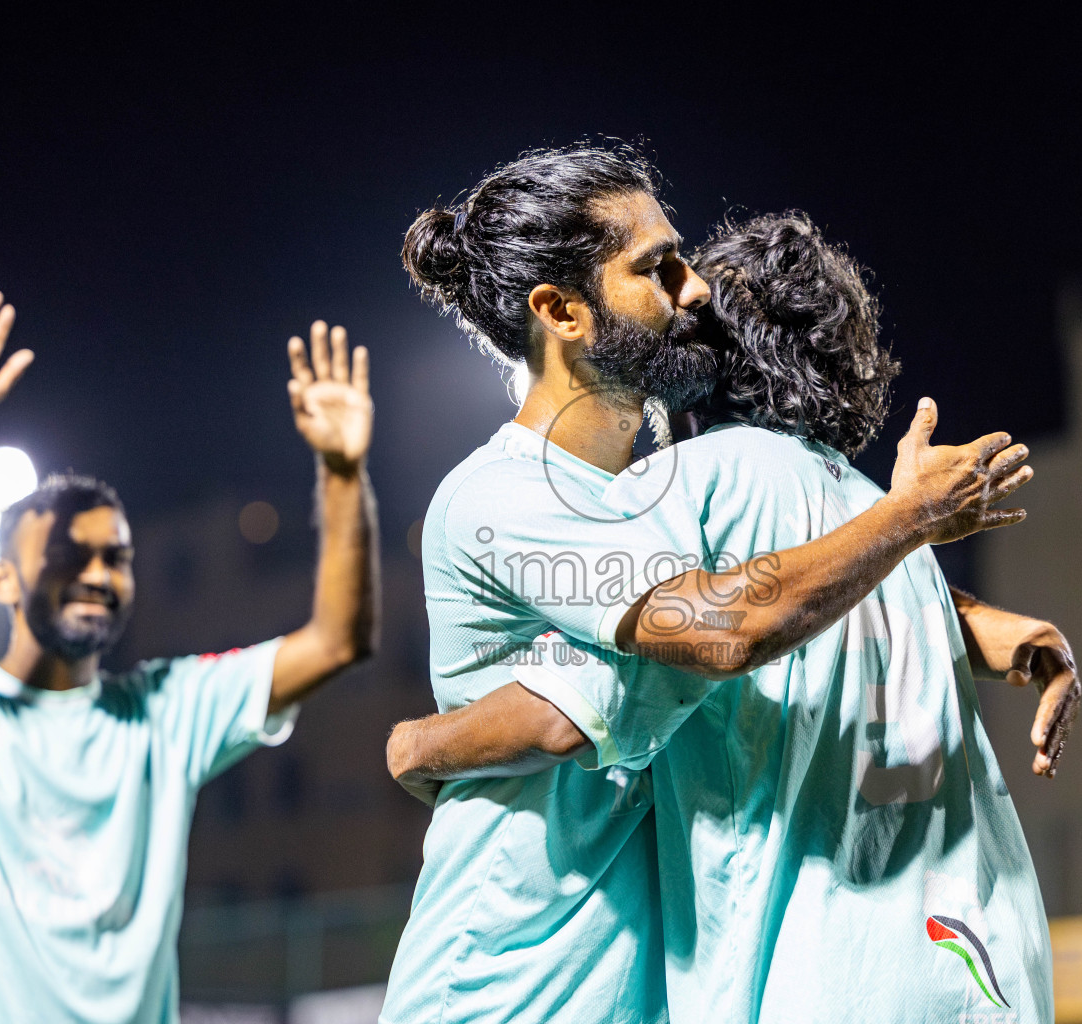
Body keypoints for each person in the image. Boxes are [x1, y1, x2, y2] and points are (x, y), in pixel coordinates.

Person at [379, 145, 1033, 1024]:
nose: (694, 291)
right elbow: (723, 627)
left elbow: (779, 592)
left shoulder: (660, 497)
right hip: (505, 986)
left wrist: (979, 624)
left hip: (637, 991)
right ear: (560, 310)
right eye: (657, 268)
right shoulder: (506, 498)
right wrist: (906, 521)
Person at [0, 290, 380, 1024]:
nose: (99, 575)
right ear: (1, 578)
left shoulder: (165, 710)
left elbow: (338, 640)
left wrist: (341, 472)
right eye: (72, 555)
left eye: (118, 557)